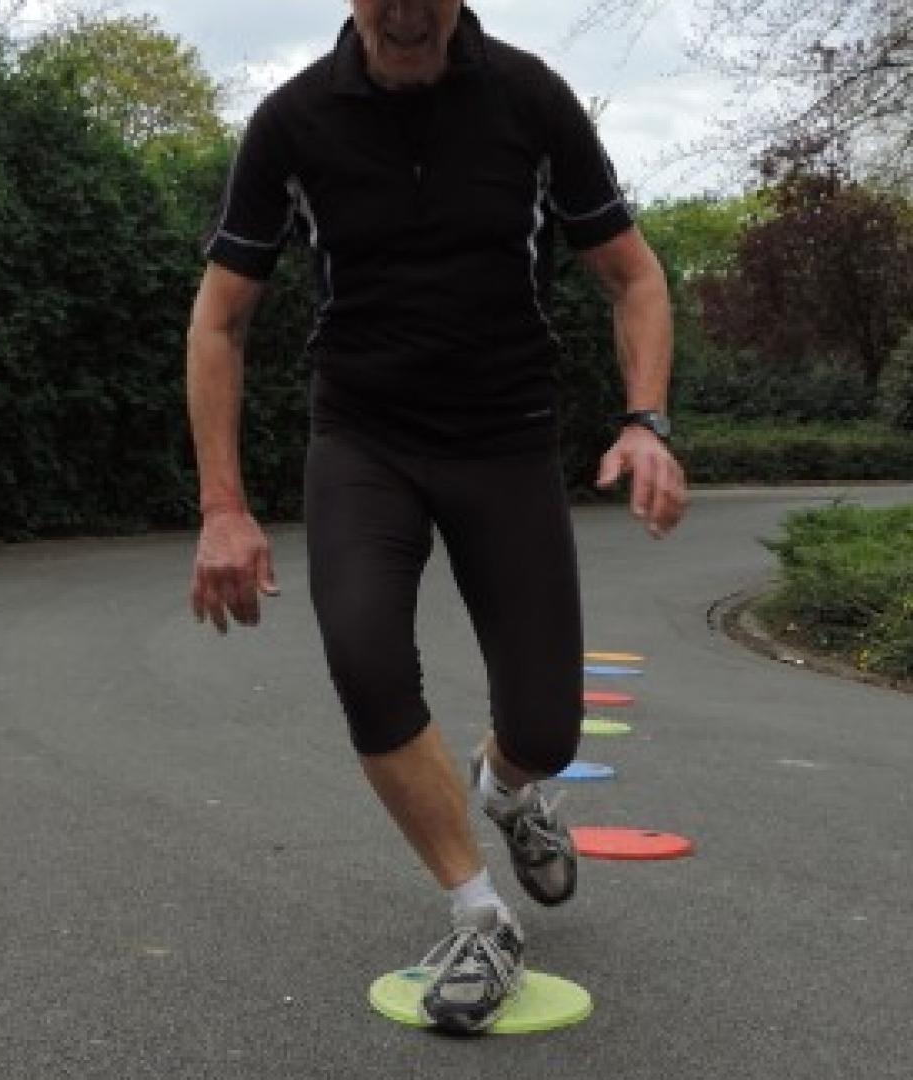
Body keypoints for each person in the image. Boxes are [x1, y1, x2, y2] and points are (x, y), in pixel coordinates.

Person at [185, 0, 687, 1034]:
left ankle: (507, 789)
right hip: (362, 438)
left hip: (506, 438)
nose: (407, 10)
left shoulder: (531, 100)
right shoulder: (292, 122)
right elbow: (221, 318)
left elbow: (632, 274)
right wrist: (223, 506)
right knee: (365, 657)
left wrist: (646, 421)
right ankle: (479, 913)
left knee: (545, 728)